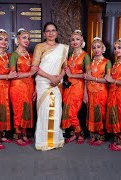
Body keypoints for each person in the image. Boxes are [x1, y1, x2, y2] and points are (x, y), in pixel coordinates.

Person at [32, 22, 69, 151]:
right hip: (43, 83)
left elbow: (66, 67)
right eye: (48, 31)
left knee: (55, 110)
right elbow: (35, 68)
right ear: (44, 33)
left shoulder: (63, 48)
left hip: (56, 84)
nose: (51, 33)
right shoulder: (40, 47)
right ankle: (44, 141)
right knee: (45, 112)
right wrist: (50, 77)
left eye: (53, 30)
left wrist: (58, 78)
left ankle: (54, 140)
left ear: (57, 32)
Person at [9, 28, 38, 146]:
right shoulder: (14, 55)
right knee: (18, 111)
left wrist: (36, 88)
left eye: (28, 38)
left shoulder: (31, 55)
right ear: (18, 39)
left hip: (30, 86)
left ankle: (24, 133)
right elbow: (12, 75)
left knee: (27, 110)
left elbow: (35, 73)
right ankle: (17, 134)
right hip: (17, 86)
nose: (27, 40)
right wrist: (29, 73)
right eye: (24, 38)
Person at [61, 30, 91, 144]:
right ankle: (75, 133)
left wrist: (85, 93)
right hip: (68, 86)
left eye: (77, 39)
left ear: (82, 41)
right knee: (67, 110)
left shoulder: (85, 56)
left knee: (72, 112)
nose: (75, 42)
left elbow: (87, 75)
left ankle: (80, 132)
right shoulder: (69, 55)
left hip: (79, 86)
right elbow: (65, 70)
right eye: (72, 39)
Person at [84, 37, 111, 146]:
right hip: (90, 90)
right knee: (91, 112)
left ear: (103, 49)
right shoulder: (90, 62)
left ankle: (101, 134)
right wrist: (85, 93)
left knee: (100, 112)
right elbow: (86, 77)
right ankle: (93, 134)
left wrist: (94, 79)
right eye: (94, 47)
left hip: (101, 91)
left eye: (98, 47)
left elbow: (107, 79)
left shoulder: (107, 62)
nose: (96, 49)